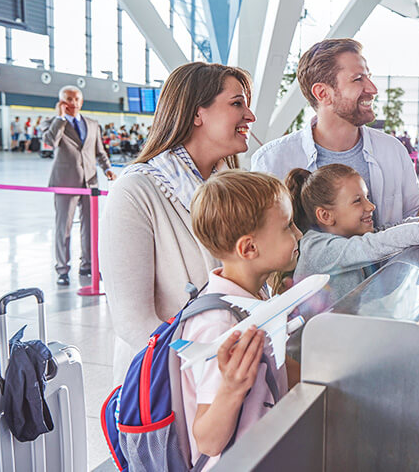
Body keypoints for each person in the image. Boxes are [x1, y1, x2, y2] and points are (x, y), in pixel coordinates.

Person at [100, 62, 254, 382]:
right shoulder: (136, 191)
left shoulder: (232, 188)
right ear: (198, 113)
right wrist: (205, 368)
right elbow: (133, 322)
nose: (250, 116)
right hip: (169, 386)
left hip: (229, 379)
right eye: (237, 103)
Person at [251, 38, 419, 229]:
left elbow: (413, 210)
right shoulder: (272, 161)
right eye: (358, 79)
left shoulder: (391, 150)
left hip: (388, 281)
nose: (372, 88)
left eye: (368, 76)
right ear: (323, 93)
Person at [182, 170, 300, 470]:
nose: (298, 234)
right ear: (249, 248)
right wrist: (232, 388)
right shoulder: (218, 323)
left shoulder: (257, 296)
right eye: (287, 226)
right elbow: (207, 441)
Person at [287, 164, 419, 296]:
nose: (371, 207)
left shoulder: (352, 238)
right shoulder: (316, 247)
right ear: (325, 215)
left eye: (367, 197)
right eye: (358, 201)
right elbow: (381, 243)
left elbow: (399, 228)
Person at [40, 86, 115, 285]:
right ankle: (62, 269)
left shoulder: (92, 124)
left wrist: (107, 168)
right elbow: (50, 142)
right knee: (63, 227)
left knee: (90, 227)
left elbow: (100, 151)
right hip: (65, 182)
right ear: (61, 102)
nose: (73, 103)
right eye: (68, 99)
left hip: (90, 183)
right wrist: (61, 118)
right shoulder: (52, 123)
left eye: (76, 99)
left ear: (81, 101)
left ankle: (88, 265)